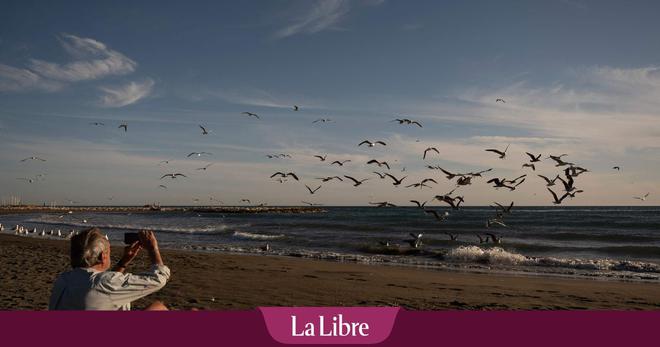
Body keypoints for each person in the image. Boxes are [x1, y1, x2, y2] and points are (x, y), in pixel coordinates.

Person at [49, 228, 170, 310]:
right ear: (103, 256)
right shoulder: (104, 283)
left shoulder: (63, 280)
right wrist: (153, 248)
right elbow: (160, 278)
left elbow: (103, 288)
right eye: (108, 252)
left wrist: (124, 262)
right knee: (159, 307)